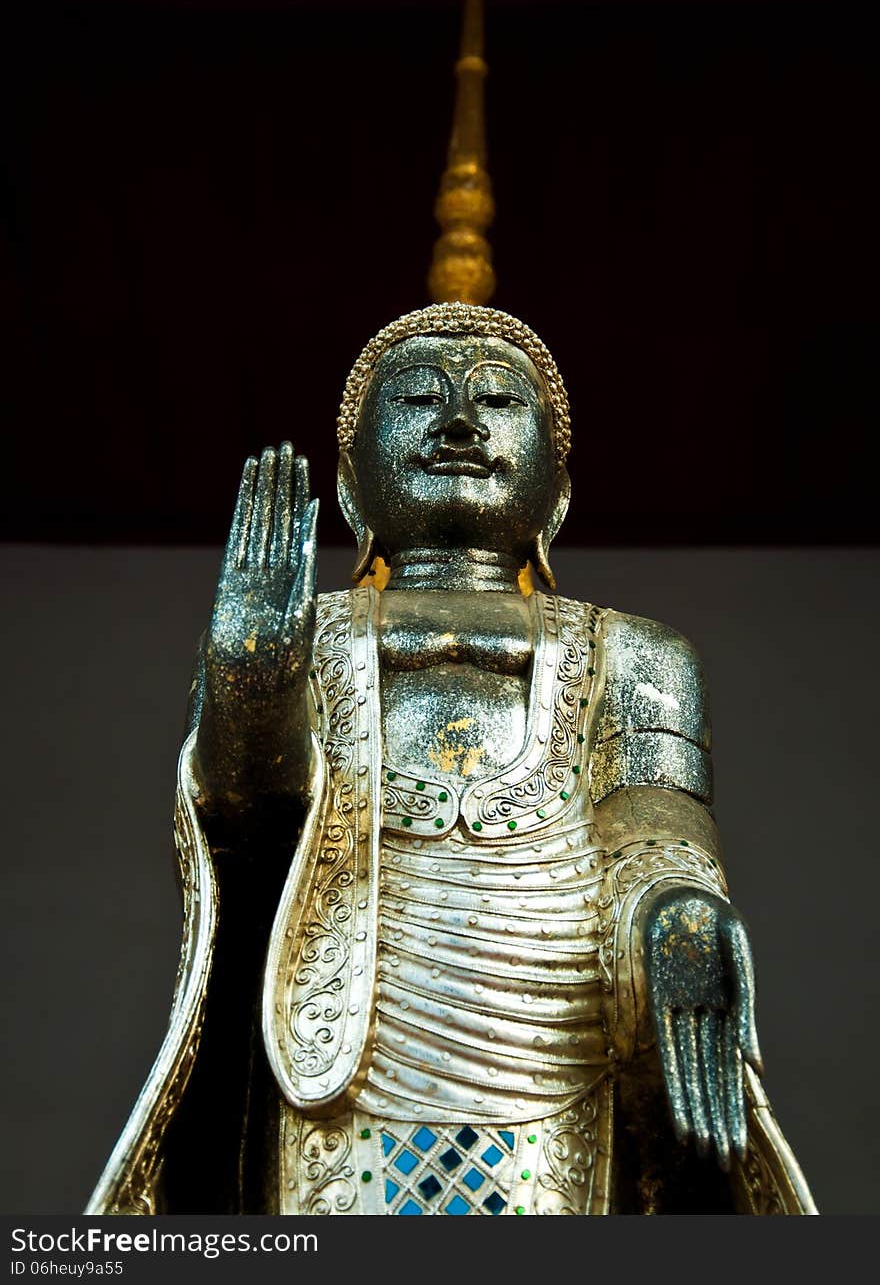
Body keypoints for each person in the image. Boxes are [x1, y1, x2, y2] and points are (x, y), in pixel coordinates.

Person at [87, 302, 815, 1215]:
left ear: (558, 495)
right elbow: (246, 826)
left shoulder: (640, 657)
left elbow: (657, 835)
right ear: (351, 491)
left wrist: (680, 918)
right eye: (421, 398)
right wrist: (246, 679)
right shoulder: (297, 641)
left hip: (553, 1052)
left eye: (500, 401)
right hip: (338, 1060)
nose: (461, 425)